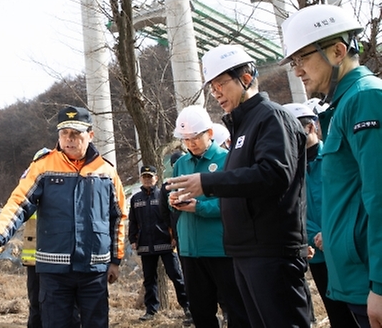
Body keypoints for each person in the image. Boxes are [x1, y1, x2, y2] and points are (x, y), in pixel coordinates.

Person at [166, 44, 311, 328]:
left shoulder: (271, 117)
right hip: (246, 251)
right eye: (212, 87)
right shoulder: (243, 126)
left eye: (221, 84)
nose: (216, 93)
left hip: (271, 250)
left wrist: (207, 183)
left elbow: (273, 174)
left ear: (245, 78)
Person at [281, 4, 382, 328]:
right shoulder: (345, 105)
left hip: (369, 281)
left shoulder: (365, 99)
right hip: (355, 279)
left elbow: (379, 198)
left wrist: (379, 285)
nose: (297, 71)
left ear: (338, 51)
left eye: (303, 59)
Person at [0, 105, 127, 328]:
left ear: (91, 134)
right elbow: (18, 203)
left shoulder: (106, 171)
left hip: (94, 271)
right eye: (64, 133)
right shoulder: (43, 167)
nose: (69, 139)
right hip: (54, 272)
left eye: (76, 134)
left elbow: (118, 217)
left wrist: (115, 260)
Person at [170, 106, 249, 328]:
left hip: (220, 249)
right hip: (189, 251)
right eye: (186, 139)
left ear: (210, 134)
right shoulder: (181, 164)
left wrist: (200, 208)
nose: (191, 143)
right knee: (200, 311)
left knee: (236, 309)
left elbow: (234, 203)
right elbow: (173, 197)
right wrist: (174, 203)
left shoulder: (228, 159)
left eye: (195, 137)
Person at [283, 102, 358, 328]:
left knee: (359, 311)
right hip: (317, 252)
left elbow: (352, 201)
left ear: (311, 128)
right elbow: (294, 209)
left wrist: (331, 234)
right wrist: (314, 235)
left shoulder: (337, 158)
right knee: (337, 314)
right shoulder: (291, 169)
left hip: (346, 250)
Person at [128, 164, 191, 324]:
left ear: (156, 178)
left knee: (176, 276)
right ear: (141, 178)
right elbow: (133, 221)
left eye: (150, 177)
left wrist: (175, 237)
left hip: (165, 243)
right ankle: (151, 310)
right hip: (145, 245)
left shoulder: (164, 196)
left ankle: (188, 307)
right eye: (145, 177)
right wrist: (133, 240)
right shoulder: (136, 199)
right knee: (149, 279)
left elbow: (172, 218)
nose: (147, 180)